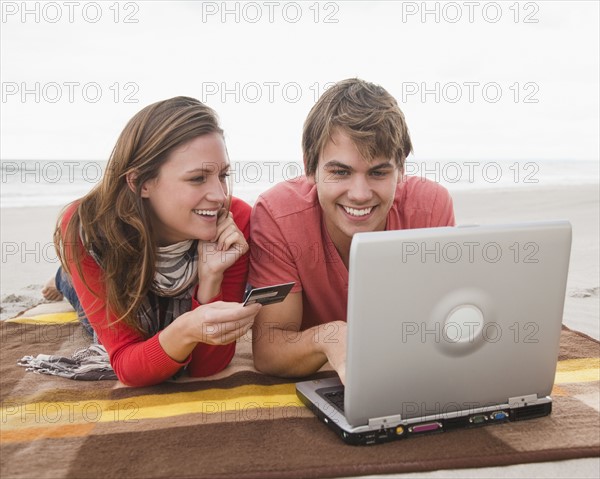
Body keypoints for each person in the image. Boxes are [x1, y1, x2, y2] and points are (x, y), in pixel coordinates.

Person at [248, 78, 455, 384]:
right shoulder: (278, 215)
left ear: (401, 169)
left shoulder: (431, 207)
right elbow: (269, 350)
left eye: (378, 172)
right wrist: (330, 336)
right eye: (340, 172)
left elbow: (446, 323)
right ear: (310, 168)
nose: (359, 194)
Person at [49, 96, 261, 387]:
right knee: (80, 302)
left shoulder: (235, 219)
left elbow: (206, 367)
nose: (219, 195)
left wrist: (211, 281)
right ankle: (64, 277)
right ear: (141, 183)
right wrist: (187, 329)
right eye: (198, 178)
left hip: (175, 297)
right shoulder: (88, 230)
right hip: (115, 269)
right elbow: (128, 364)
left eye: (223, 175)